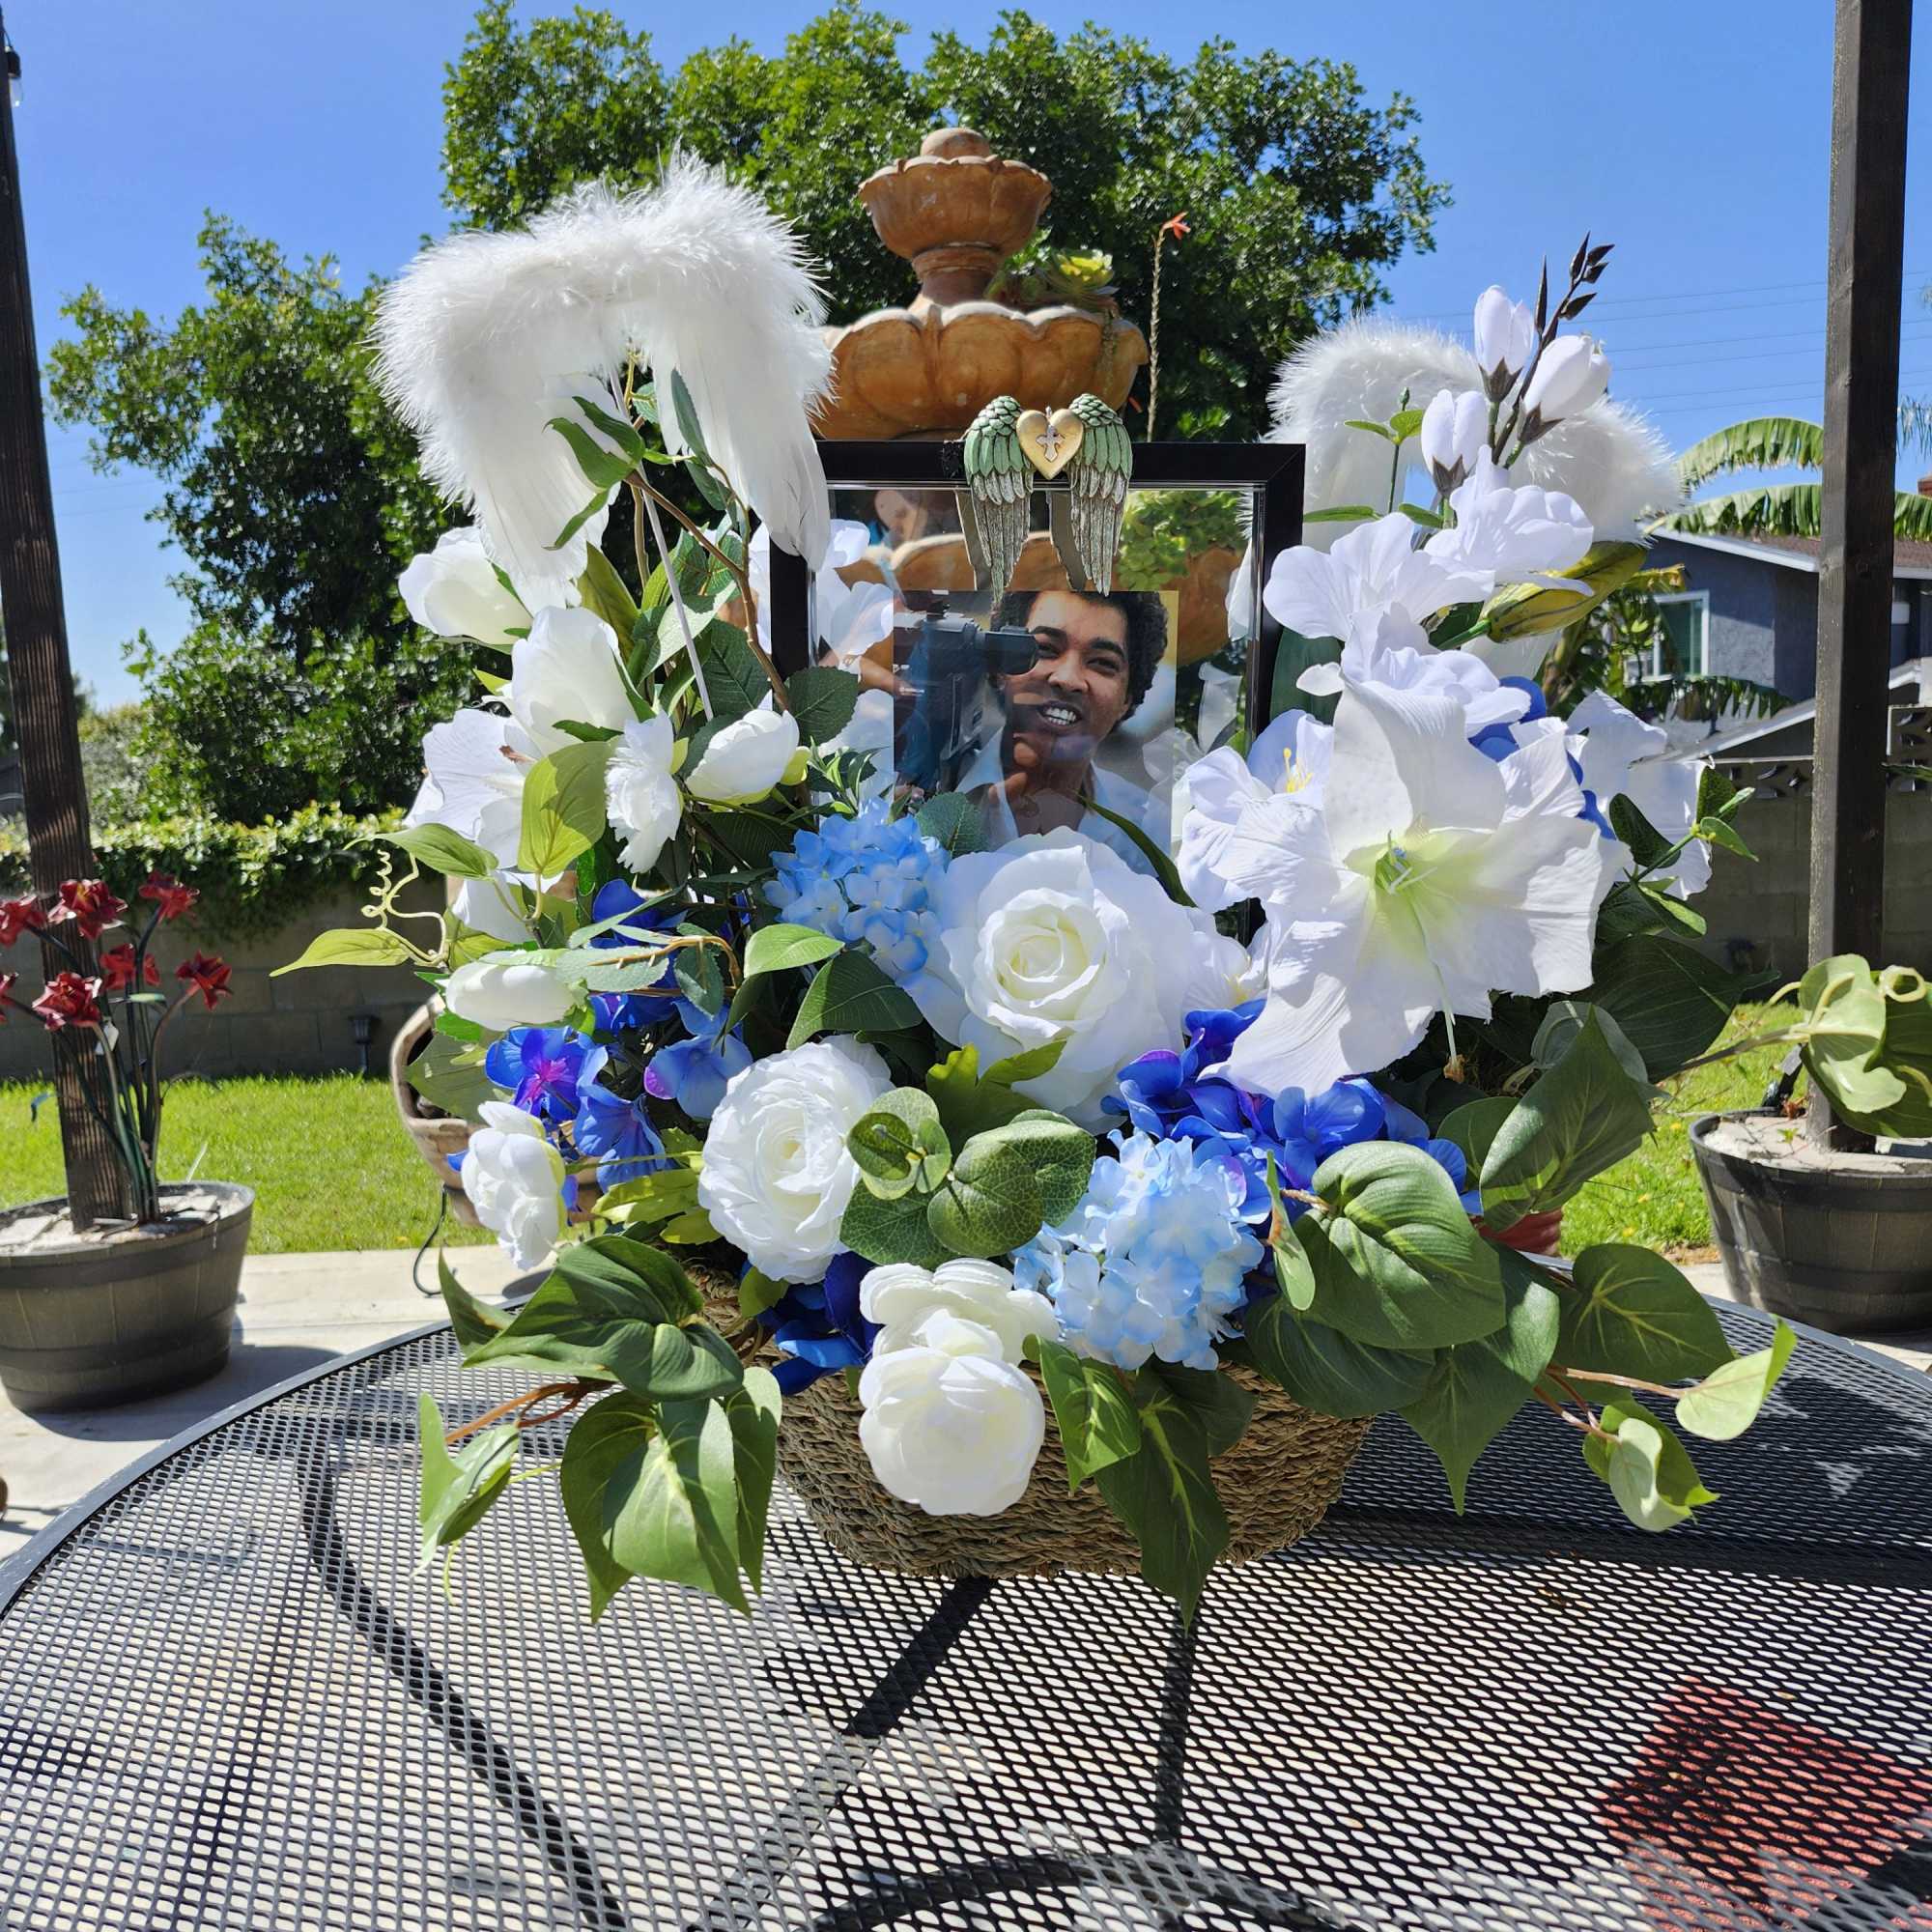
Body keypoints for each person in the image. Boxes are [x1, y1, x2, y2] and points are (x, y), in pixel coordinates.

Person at [955, 587, 1169, 868]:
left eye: (1103, 663)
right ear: (999, 669)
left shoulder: (1151, 831)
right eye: (1044, 649)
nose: (1068, 679)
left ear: (1127, 699)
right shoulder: (927, 794)